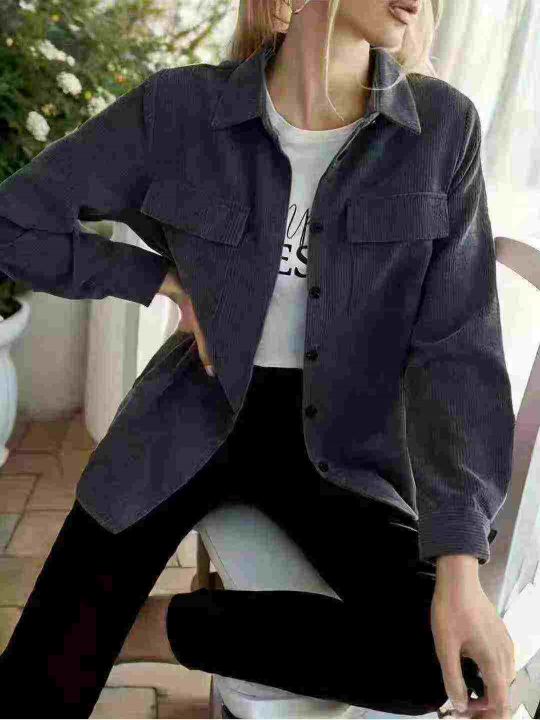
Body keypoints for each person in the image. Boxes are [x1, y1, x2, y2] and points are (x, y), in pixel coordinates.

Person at [0, 0, 516, 718]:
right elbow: (14, 221)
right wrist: (158, 279)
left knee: (436, 660)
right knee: (33, 692)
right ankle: (95, 631)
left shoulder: (441, 131)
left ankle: (156, 628)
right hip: (192, 414)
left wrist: (460, 568)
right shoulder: (180, 111)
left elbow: (458, 352)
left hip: (344, 444)